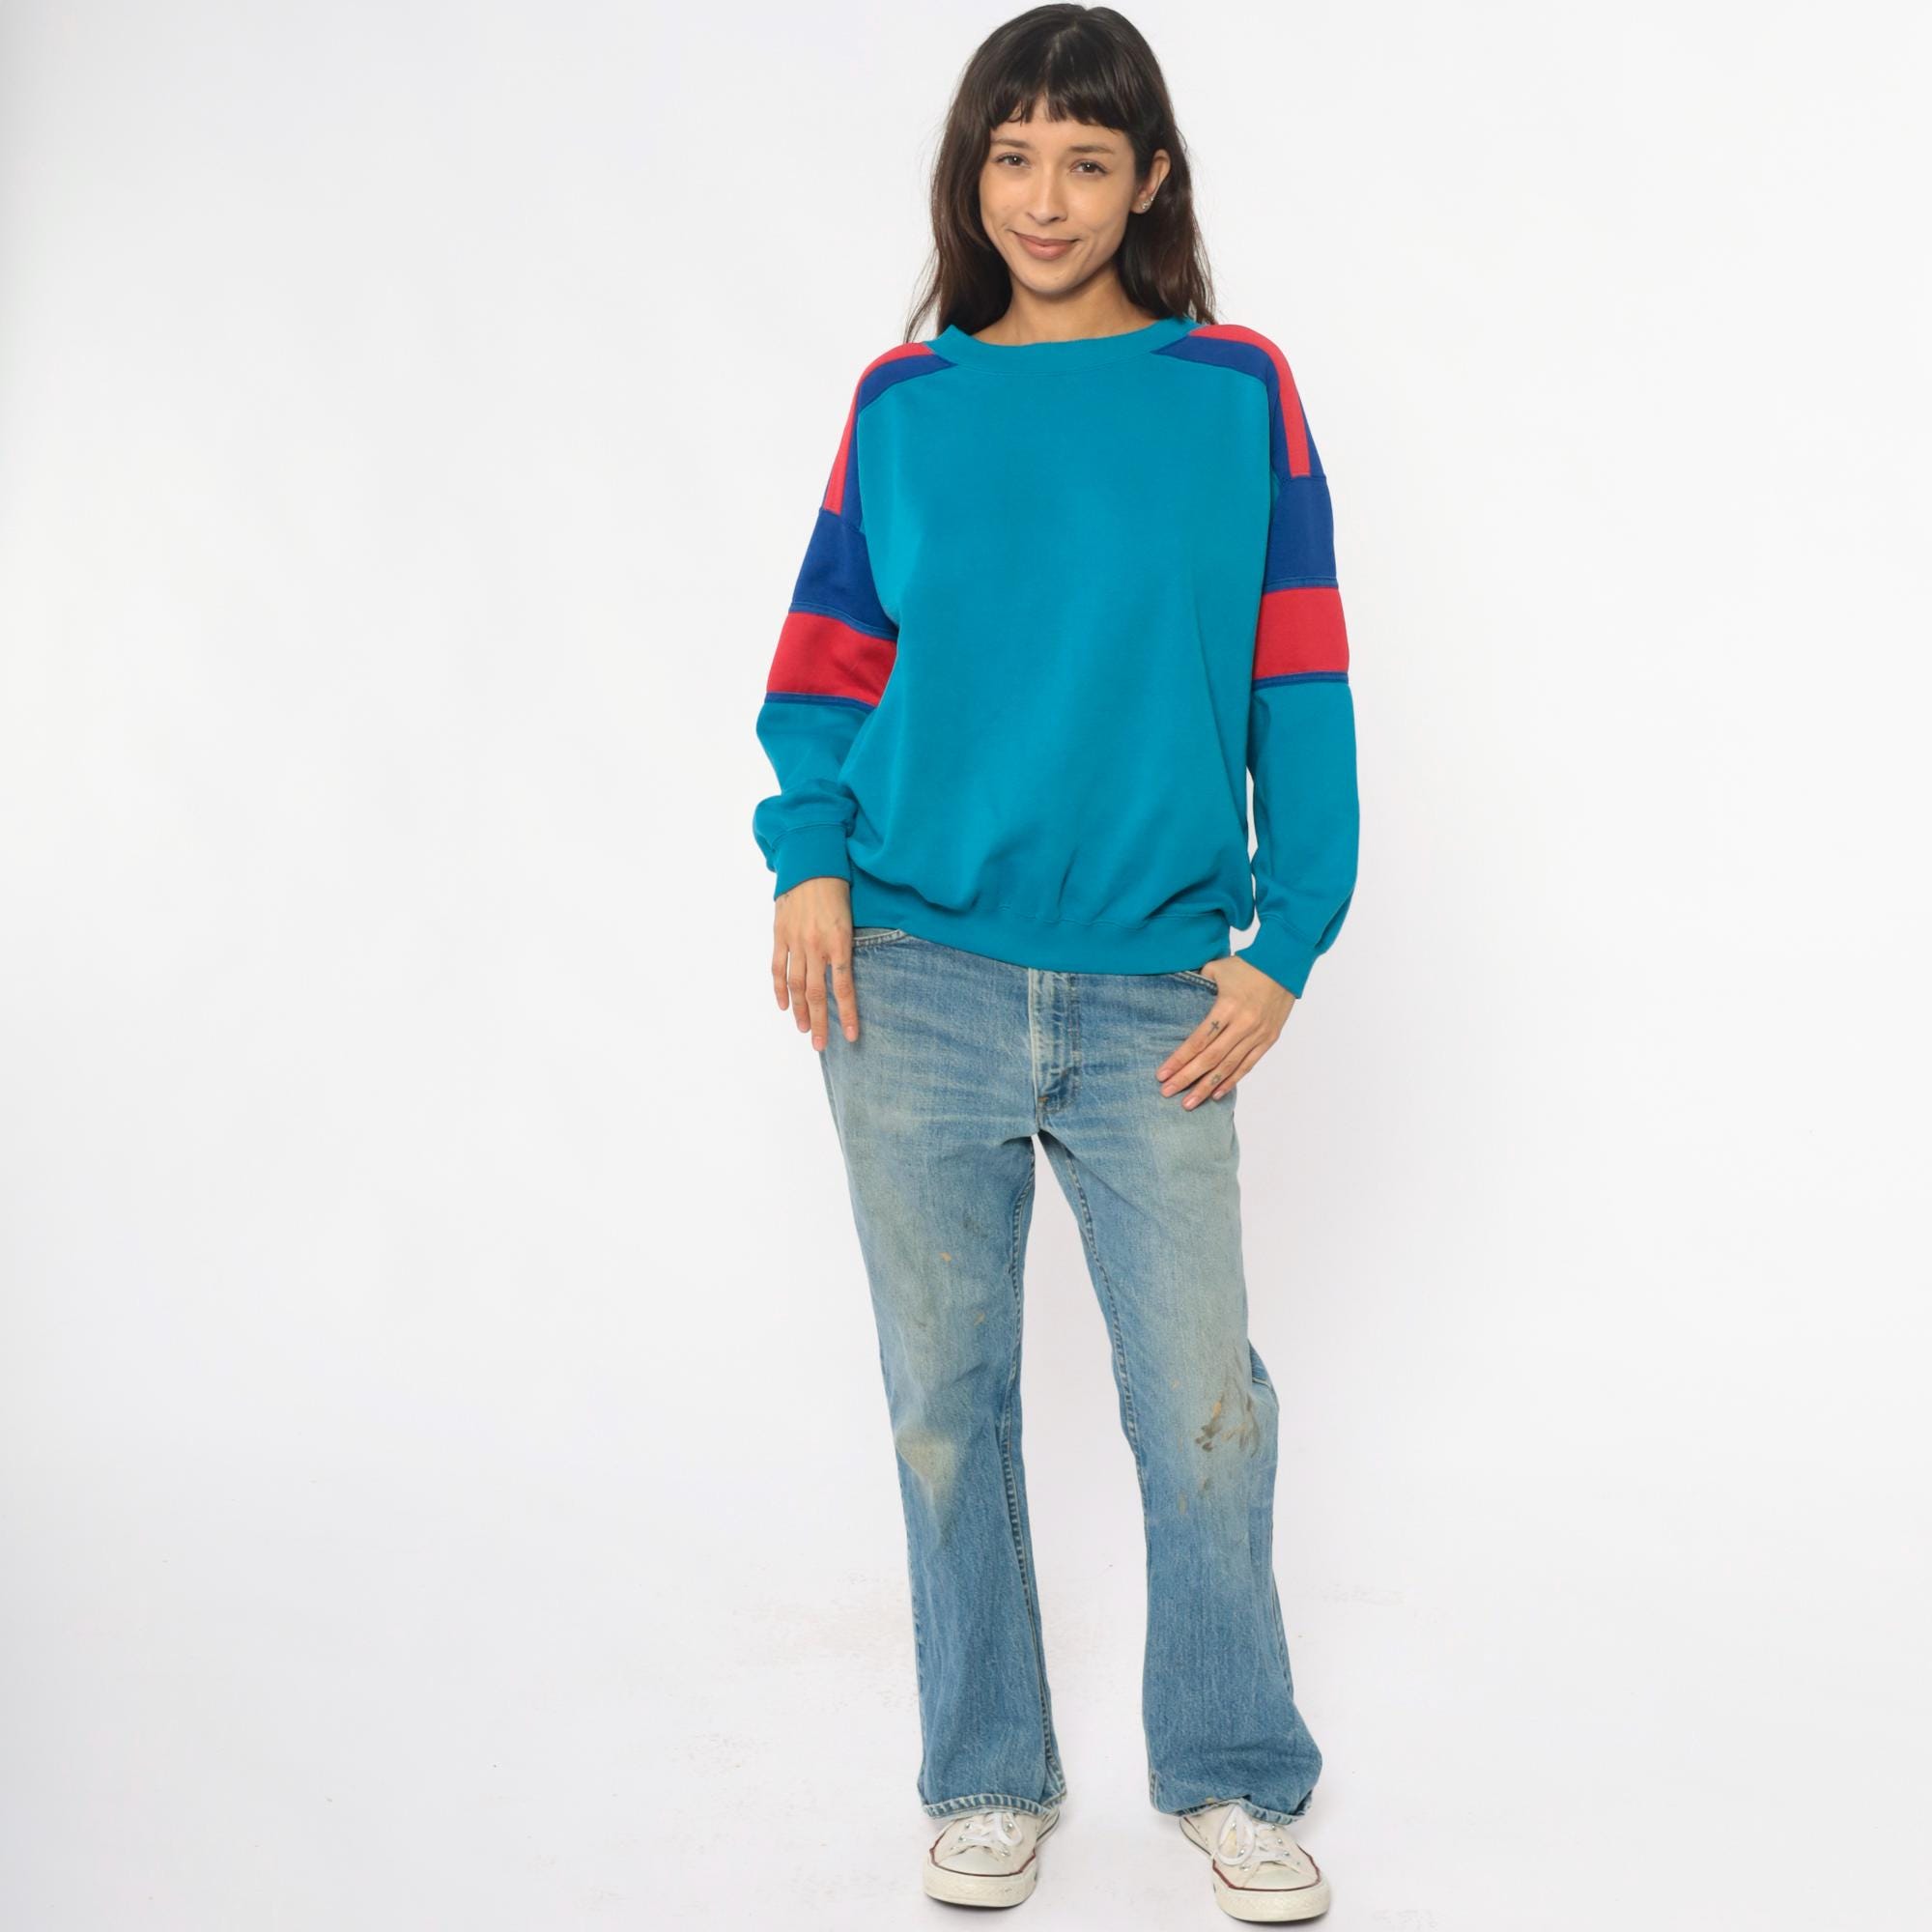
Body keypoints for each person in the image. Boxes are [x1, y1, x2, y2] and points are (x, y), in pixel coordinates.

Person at [750, 8, 1356, 1920]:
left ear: (1149, 181)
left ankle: (1232, 1770)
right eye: (1011, 156)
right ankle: (988, 1771)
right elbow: (826, 664)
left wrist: (1289, 939)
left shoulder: (1234, 392)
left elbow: (1299, 676)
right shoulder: (903, 404)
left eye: (1087, 159)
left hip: (1157, 991)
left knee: (1204, 1403)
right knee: (946, 1403)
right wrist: (806, 861)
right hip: (905, 971)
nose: (1045, 196)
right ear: (972, 175)